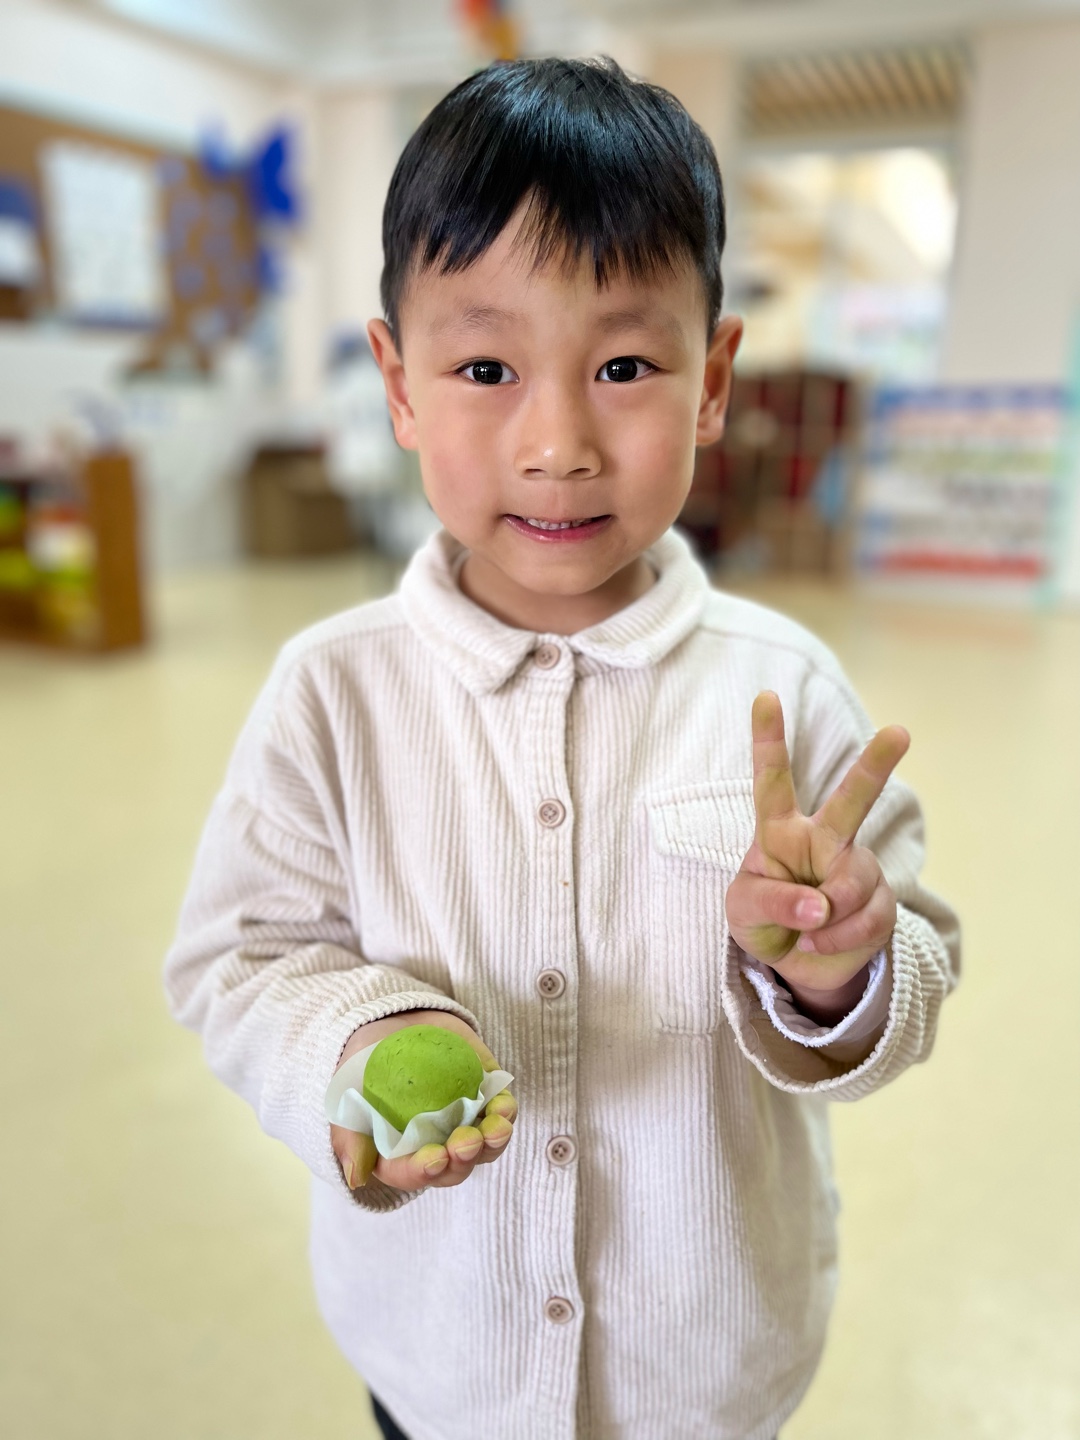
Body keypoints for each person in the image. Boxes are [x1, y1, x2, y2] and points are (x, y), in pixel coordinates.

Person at [164, 56, 960, 1440]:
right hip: (441, 1359)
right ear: (399, 386)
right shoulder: (330, 693)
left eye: (625, 367)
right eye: (485, 368)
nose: (558, 443)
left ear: (712, 383)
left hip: (705, 1367)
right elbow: (238, 960)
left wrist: (842, 969)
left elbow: (915, 974)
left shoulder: (783, 693)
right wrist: (359, 1033)